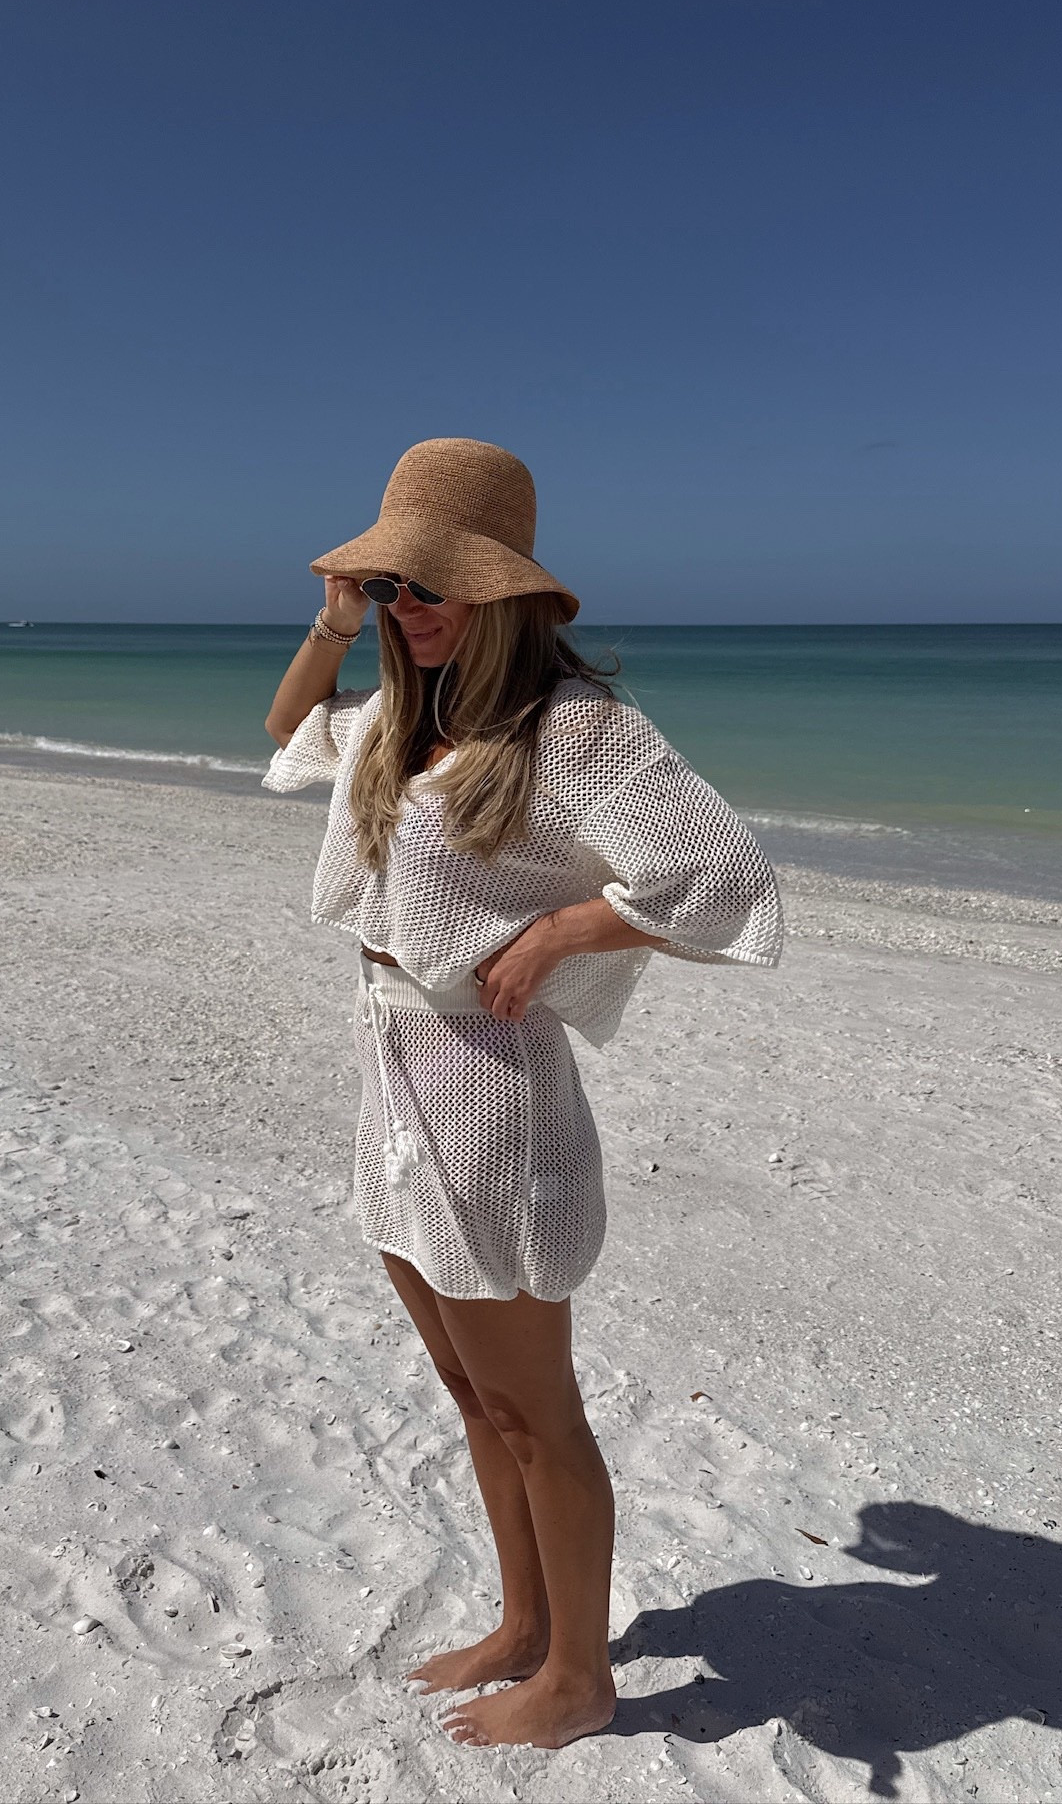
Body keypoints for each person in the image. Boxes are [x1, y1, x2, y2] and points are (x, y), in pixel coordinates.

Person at [263, 437, 783, 1750]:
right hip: (393, 1064)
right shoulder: (406, 715)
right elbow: (287, 734)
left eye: (432, 586)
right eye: (394, 588)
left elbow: (718, 878)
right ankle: (525, 1626)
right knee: (468, 1391)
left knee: (536, 1410)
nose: (410, 608)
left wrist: (558, 938)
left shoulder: (577, 729)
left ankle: (580, 1679)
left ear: (504, 594)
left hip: (493, 1088)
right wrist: (334, 629)